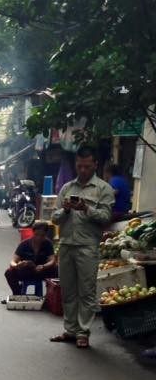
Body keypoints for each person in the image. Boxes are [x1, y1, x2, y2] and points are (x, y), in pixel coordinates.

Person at [50, 145, 114, 349]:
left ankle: (83, 332)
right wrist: (66, 210)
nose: (83, 170)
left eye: (87, 166)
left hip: (88, 246)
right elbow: (54, 218)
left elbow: (105, 218)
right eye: (79, 166)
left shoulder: (103, 189)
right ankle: (70, 330)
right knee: (68, 291)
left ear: (95, 165)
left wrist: (86, 208)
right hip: (67, 244)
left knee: (86, 292)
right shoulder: (67, 188)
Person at [4, 220, 58, 294]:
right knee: (9, 272)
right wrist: (18, 265)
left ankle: (50, 297)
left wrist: (44, 266)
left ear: (46, 234)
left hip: (42, 272)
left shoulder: (48, 244)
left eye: (42, 235)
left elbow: (52, 260)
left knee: (57, 269)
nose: (39, 238)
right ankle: (17, 293)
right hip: (27, 272)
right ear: (33, 232)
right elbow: (13, 261)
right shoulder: (24, 244)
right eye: (37, 234)